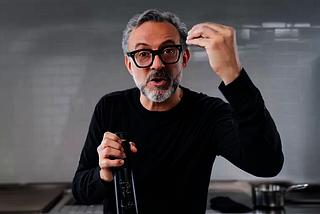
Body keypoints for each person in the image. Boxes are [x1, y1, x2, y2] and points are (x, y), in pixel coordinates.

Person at [72, 9, 284, 214]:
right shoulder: (110, 107)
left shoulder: (210, 114)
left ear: (184, 59)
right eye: (143, 53)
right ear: (130, 64)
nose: (157, 64)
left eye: (168, 51)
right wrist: (104, 175)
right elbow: (81, 191)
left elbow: (267, 163)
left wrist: (233, 75)